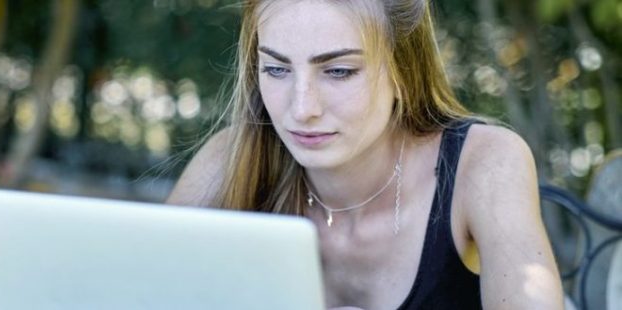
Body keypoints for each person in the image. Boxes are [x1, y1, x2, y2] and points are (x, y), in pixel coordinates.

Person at [166, 0, 564, 309]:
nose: (302, 108)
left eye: (338, 71)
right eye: (276, 69)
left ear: (404, 71)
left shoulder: (485, 163)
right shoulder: (229, 161)